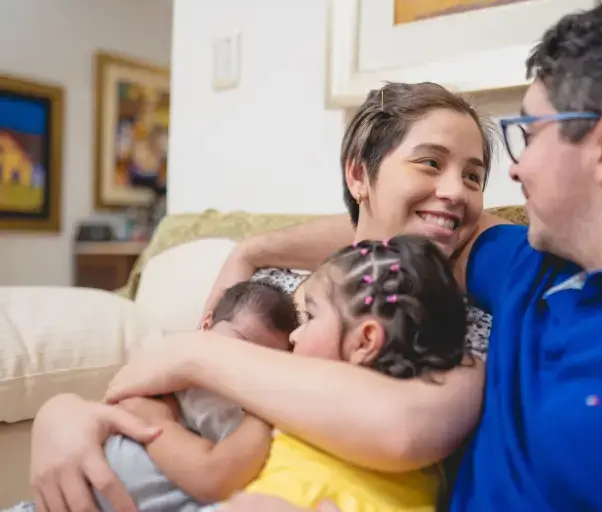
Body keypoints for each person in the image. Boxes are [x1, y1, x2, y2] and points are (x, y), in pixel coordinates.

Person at [117, 0, 602, 512]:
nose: (515, 170)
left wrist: (196, 354)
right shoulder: (524, 263)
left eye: (529, 134)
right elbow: (392, 236)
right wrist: (255, 248)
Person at [19, 81, 502, 512]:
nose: (456, 191)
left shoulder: (459, 327)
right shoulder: (276, 287)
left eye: (473, 177)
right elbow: (162, 391)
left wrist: (195, 350)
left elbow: (404, 431)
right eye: (430, 162)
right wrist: (61, 415)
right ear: (359, 175)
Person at [186, 235, 469, 511]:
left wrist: (160, 418)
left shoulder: (290, 406)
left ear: (364, 342)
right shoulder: (435, 461)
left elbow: (212, 471)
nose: (294, 335)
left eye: (310, 316)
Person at [97, 280, 298, 512]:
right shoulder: (169, 354)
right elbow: (121, 392)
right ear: (206, 324)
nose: (244, 365)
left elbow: (222, 471)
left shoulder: (240, 410)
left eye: (262, 361)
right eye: (240, 345)